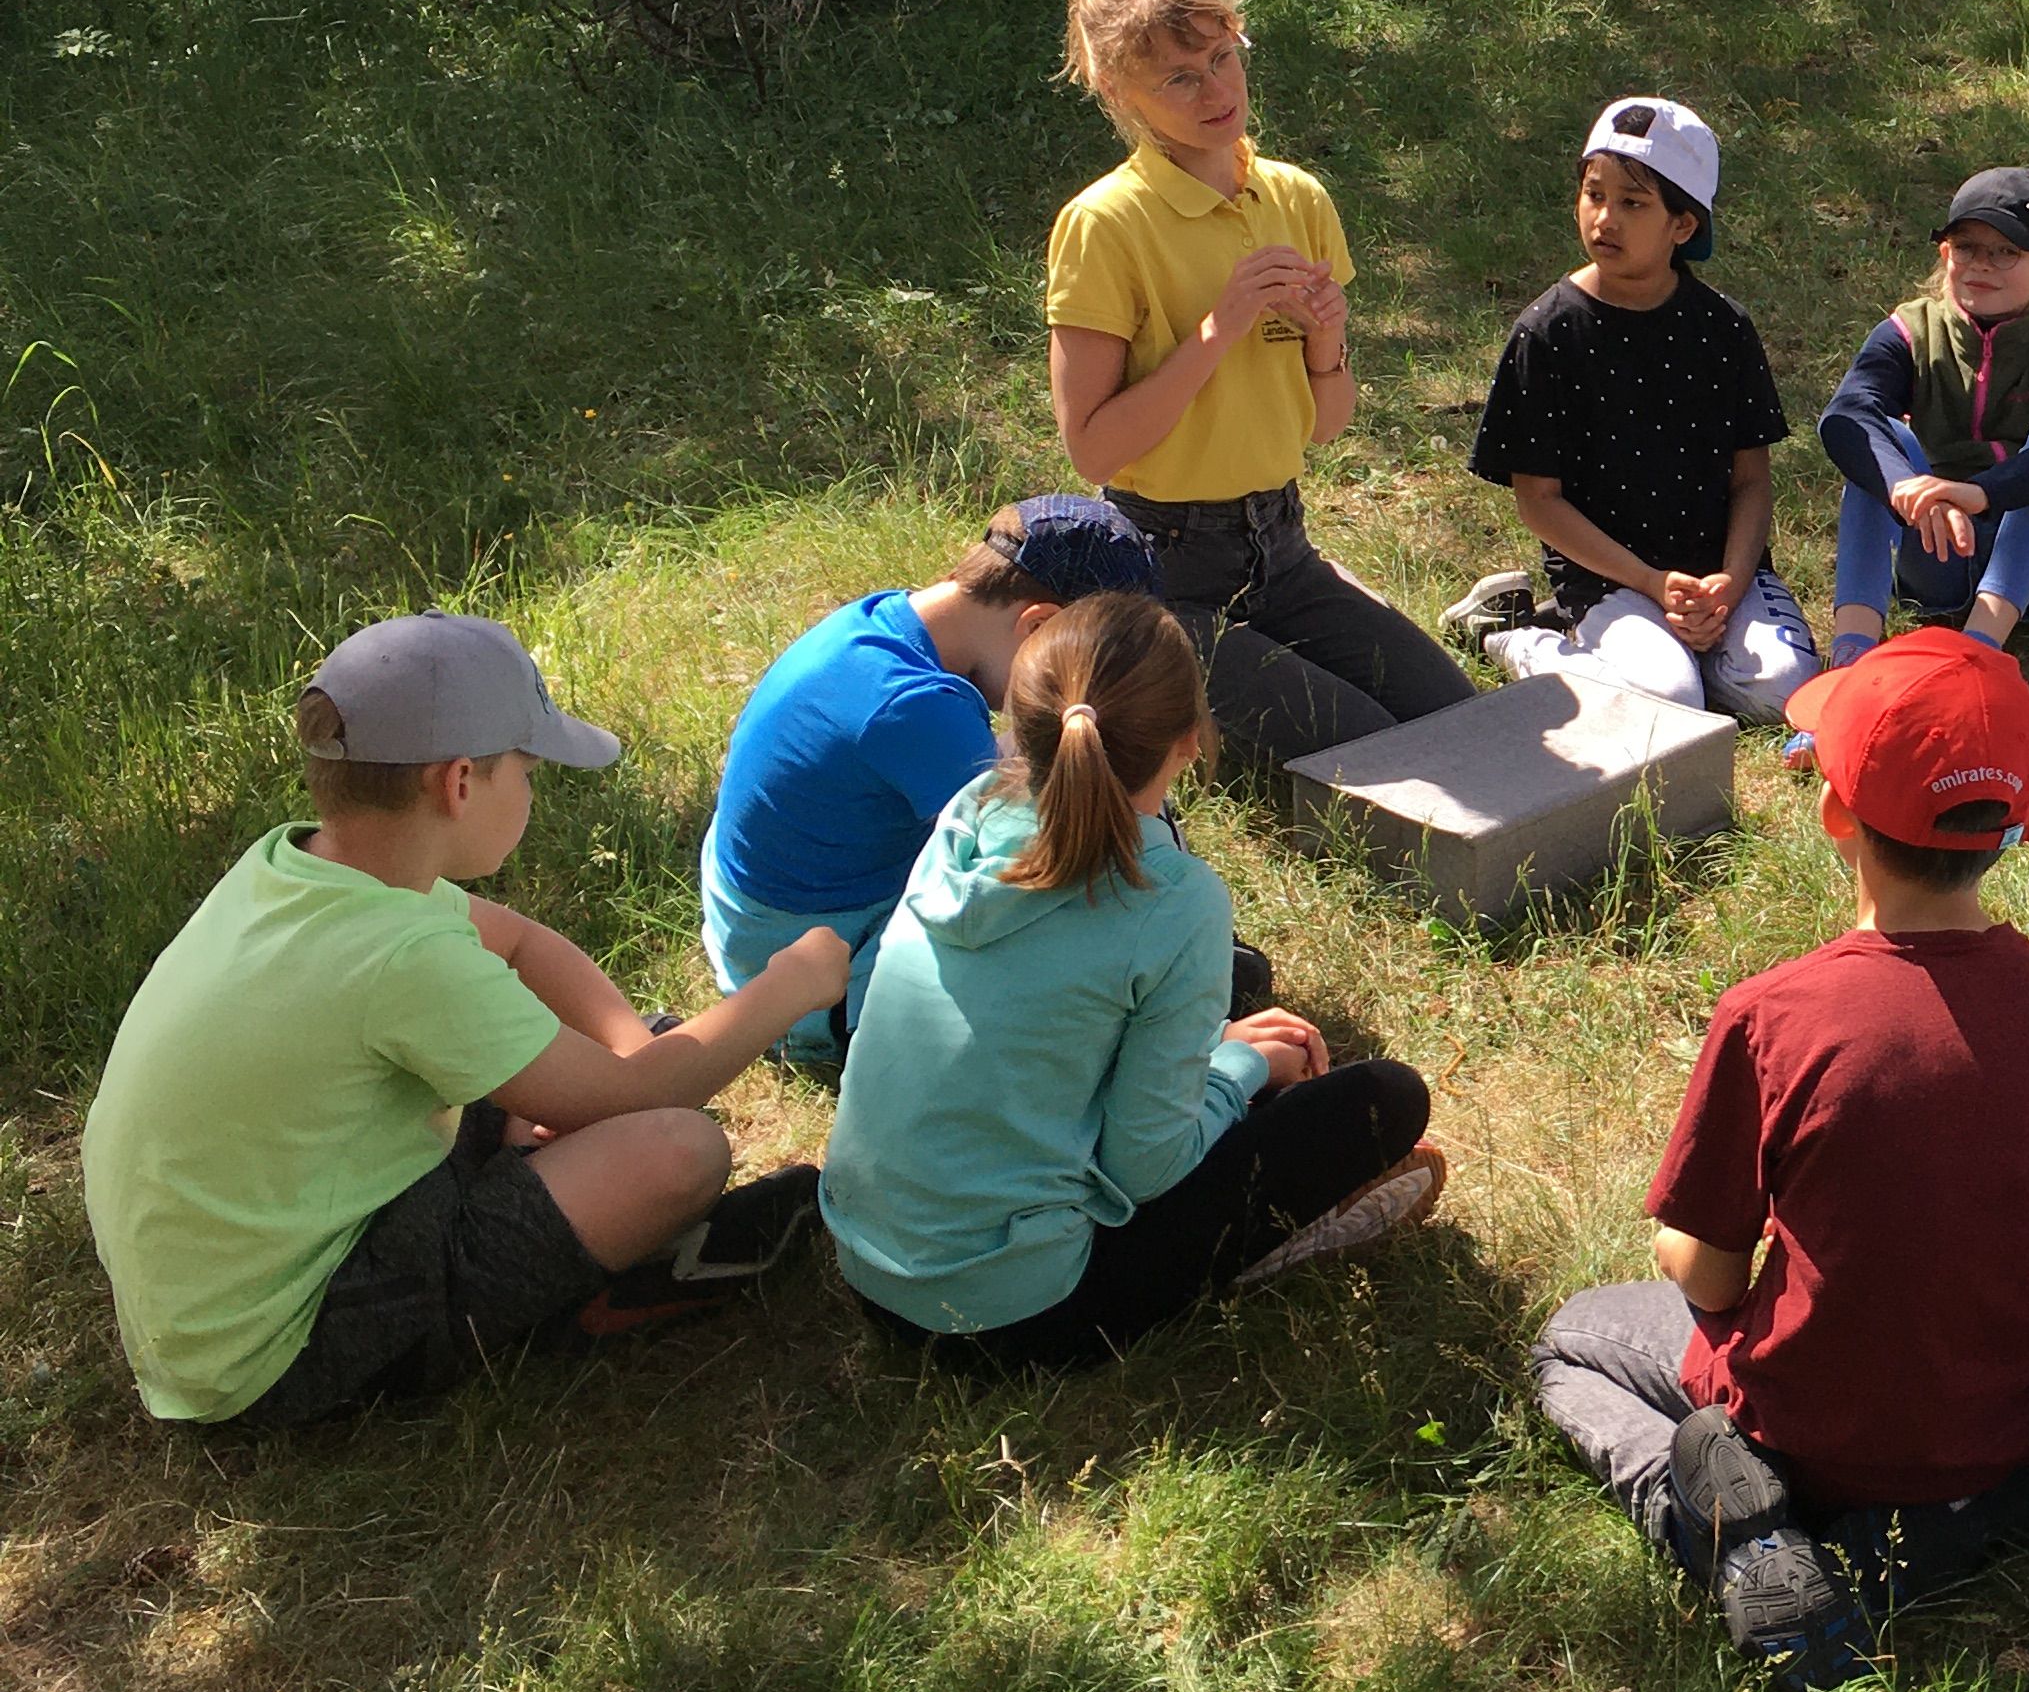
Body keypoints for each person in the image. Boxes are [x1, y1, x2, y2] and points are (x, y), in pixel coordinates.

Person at [1528, 630, 2029, 1690]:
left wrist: (1679, 1234)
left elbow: (1709, 1276)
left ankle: (1737, 1536)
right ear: (2016, 828)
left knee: (1573, 1343)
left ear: (1833, 813)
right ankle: (1953, 1524)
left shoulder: (1773, 1018)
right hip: (2014, 1426)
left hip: (1818, 1431)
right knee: (2005, 1452)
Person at [84, 614, 844, 1429]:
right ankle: (590, 1298)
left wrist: (620, 1059)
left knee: (639, 1062)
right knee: (678, 1150)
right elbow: (637, 1097)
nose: (530, 789)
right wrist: (789, 985)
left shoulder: (302, 865)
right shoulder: (401, 958)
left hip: (232, 1286)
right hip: (281, 1355)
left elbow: (519, 943)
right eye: (526, 771)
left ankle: (549, 1159)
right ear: (456, 784)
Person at [823, 592, 1445, 1370]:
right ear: (1192, 739)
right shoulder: (1176, 901)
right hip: (1010, 1318)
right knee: (1385, 1099)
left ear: (1023, 721)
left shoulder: (971, 809)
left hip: (866, 1263)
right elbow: (1145, 1166)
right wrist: (1241, 1065)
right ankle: (1258, 1254)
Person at [1043, 0, 1471, 773]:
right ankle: (1151, 684)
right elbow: (1093, 448)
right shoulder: (1105, 225)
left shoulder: (1295, 196)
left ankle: (1227, 685)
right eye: (1178, 78)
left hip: (1282, 545)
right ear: (1115, 91)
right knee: (1368, 754)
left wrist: (1323, 348)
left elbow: (1328, 427)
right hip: (1161, 563)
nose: (1216, 91)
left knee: (1452, 717)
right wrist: (1220, 326)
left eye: (1222, 58)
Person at [698, 496, 1170, 1068]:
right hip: (809, 992)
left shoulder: (882, 625)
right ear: (1039, 624)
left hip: (763, 933)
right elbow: (1050, 872)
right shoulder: (917, 709)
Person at [1441, 97, 1820, 721]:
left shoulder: (1723, 327)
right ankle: (1511, 634)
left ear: (1684, 225)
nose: (1604, 218)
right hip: (1609, 578)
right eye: (1594, 194)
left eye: (1632, 203)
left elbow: (1750, 480)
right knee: (1667, 700)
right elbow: (1538, 500)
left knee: (1784, 692)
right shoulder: (1548, 332)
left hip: (1719, 572)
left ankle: (1688, 653)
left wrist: (1730, 581)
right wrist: (1649, 583)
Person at [1817, 168, 2029, 659]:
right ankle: (1850, 654)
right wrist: (1905, 490)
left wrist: (1982, 492)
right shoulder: (1909, 330)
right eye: (1967, 247)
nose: (1982, 265)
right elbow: (1846, 417)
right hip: (1940, 551)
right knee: (1876, 441)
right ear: (1946, 256)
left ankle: (1979, 652)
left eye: (2006, 251)